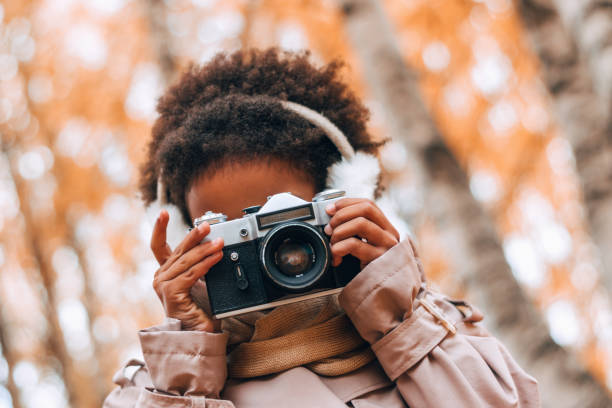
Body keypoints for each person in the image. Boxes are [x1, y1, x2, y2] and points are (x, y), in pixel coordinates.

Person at [103, 48, 539, 407]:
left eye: (285, 224)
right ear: (185, 238)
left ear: (343, 197)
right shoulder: (156, 387)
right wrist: (187, 364)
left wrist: (398, 313)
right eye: (230, 232)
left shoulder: (434, 331)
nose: (268, 253)